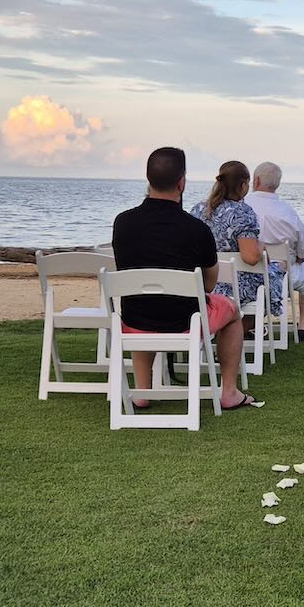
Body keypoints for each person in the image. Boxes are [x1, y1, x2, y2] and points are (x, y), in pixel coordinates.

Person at [110, 145, 253, 410]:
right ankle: (229, 391)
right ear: (181, 182)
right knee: (232, 311)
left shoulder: (123, 223)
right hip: (185, 323)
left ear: (148, 179)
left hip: (134, 320)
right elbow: (208, 284)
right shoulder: (195, 229)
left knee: (143, 303)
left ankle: (142, 391)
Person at [193, 160, 283, 332]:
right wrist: (261, 247)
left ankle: (219, 329)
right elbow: (250, 258)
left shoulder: (199, 210)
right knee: (275, 276)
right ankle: (233, 330)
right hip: (234, 285)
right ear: (243, 185)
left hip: (204, 282)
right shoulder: (242, 212)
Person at [249, 161, 304, 342]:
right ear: (277, 184)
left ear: (255, 181)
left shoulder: (240, 207)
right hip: (280, 278)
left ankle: (250, 323)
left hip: (241, 274)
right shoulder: (288, 213)